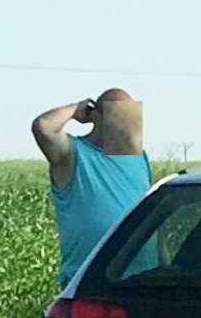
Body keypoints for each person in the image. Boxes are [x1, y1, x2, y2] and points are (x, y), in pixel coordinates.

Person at [31, 90, 151, 289]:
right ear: (96, 116)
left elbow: (151, 208)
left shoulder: (139, 157)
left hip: (142, 278)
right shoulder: (72, 153)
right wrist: (76, 109)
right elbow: (44, 127)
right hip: (90, 280)